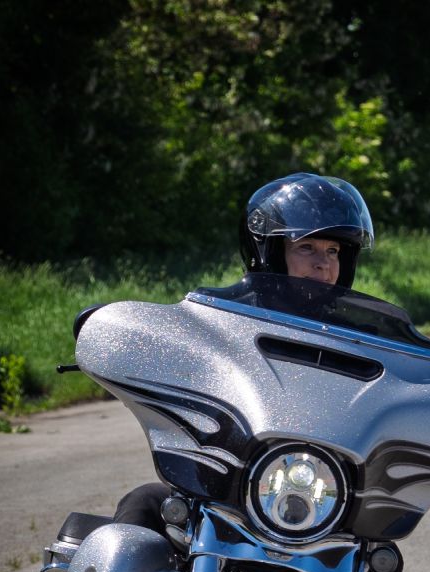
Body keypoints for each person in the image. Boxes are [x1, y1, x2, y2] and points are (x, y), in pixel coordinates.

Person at [113, 173, 375, 533]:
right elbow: (183, 349)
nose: (323, 263)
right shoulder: (227, 320)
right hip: (225, 481)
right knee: (143, 504)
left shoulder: (358, 338)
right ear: (270, 253)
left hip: (323, 492)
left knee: (376, 553)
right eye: (306, 248)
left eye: (333, 251)